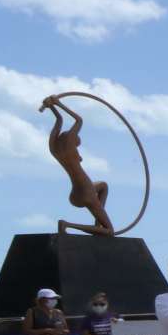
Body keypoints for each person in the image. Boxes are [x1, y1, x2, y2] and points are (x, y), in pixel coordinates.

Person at [42, 98, 115, 237]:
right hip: (86, 191)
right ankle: (68, 225)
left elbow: (59, 121)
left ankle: (97, 224)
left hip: (75, 193)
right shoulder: (70, 144)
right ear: (72, 138)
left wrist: (51, 107)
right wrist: (58, 103)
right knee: (109, 231)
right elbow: (79, 120)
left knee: (103, 186)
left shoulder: (54, 148)